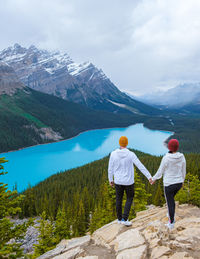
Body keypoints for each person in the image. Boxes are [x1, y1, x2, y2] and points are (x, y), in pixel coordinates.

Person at [108, 136, 153, 226]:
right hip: (129, 182)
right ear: (126, 143)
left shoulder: (113, 154)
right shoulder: (131, 154)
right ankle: (125, 218)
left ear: (120, 143)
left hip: (118, 181)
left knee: (118, 199)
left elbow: (110, 168)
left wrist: (110, 179)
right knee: (129, 198)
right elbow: (140, 166)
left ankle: (119, 219)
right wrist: (149, 177)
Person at [151, 139, 186, 229]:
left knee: (170, 202)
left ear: (169, 147)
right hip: (178, 183)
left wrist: (154, 179)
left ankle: (171, 223)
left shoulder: (166, 158)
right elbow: (183, 170)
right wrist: (183, 181)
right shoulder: (182, 157)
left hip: (169, 184)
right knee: (171, 200)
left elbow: (160, 171)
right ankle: (171, 213)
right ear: (177, 147)